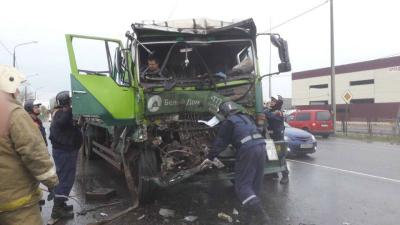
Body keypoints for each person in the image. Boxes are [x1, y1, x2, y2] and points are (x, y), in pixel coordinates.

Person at [0, 65, 59, 225]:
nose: (18, 92)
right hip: (16, 204)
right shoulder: (14, 114)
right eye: (17, 88)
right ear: (9, 87)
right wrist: (51, 182)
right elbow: (34, 153)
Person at [201, 101, 270, 225]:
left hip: (248, 149)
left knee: (242, 186)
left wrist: (210, 157)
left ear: (224, 112)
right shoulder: (246, 117)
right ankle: (247, 219)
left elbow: (220, 142)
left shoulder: (229, 122)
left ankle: (262, 217)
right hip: (261, 146)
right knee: (254, 185)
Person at [49, 91, 83, 220]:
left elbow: (70, 127)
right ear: (65, 102)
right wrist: (69, 109)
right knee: (65, 179)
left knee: (66, 178)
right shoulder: (60, 114)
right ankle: (57, 210)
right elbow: (63, 122)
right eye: (69, 101)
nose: (71, 103)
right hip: (64, 152)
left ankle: (61, 203)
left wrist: (79, 123)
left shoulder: (63, 114)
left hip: (67, 151)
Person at [264, 95, 289, 184]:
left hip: (278, 139)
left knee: (280, 157)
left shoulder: (278, 112)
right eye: (271, 100)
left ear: (278, 102)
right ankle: (273, 173)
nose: (271, 102)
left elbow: (271, 116)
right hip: (271, 138)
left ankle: (285, 175)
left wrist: (265, 110)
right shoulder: (271, 111)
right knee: (271, 155)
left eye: (273, 101)